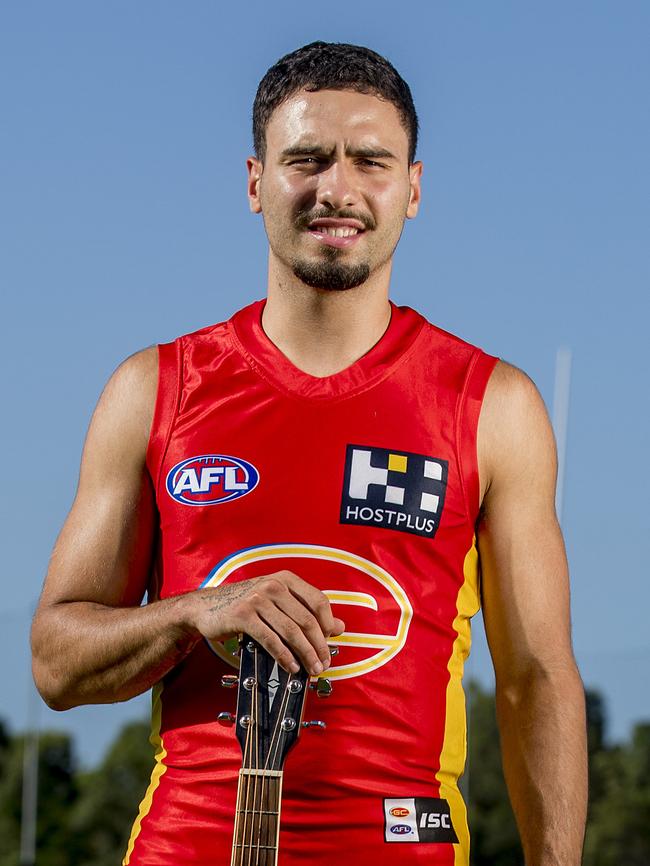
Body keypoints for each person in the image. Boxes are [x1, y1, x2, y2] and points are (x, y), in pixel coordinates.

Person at [31, 41, 587, 866]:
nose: (339, 189)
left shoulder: (490, 406)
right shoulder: (156, 389)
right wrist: (195, 611)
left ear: (414, 188)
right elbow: (56, 662)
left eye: (371, 161)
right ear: (256, 183)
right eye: (307, 160)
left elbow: (536, 678)